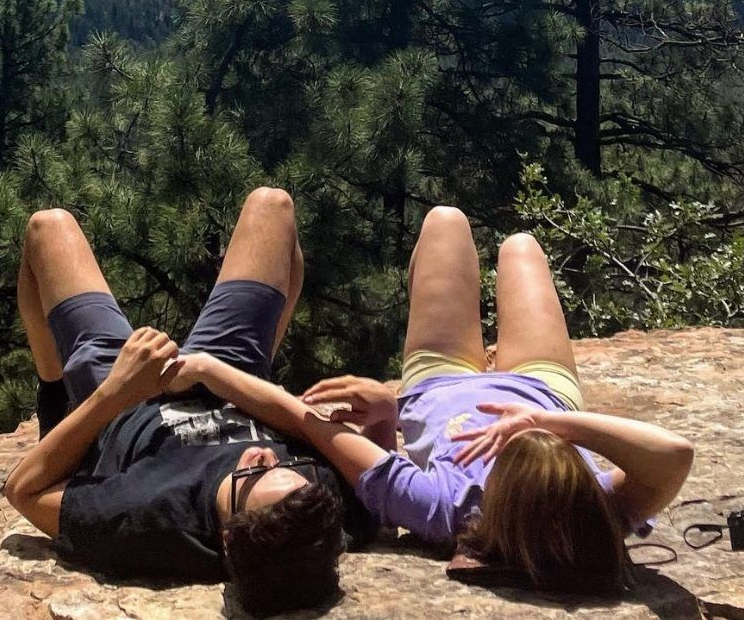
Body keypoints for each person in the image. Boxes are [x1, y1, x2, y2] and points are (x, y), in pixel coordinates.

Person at [173, 205, 696, 596]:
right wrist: (551, 419)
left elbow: (307, 423)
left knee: (445, 222)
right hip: (543, 387)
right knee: (520, 247)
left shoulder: (441, 508)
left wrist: (210, 370)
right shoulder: (594, 509)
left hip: (439, 382)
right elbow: (674, 454)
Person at [2, 187, 346, 616]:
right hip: (229, 377)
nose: (263, 456)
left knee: (47, 227)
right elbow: (376, 466)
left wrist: (117, 390)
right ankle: (262, 356)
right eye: (285, 466)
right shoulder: (312, 515)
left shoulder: (147, 521)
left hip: (124, 403)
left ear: (227, 538)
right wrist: (221, 376)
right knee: (273, 206)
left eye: (254, 476)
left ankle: (55, 390)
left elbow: (22, 490)